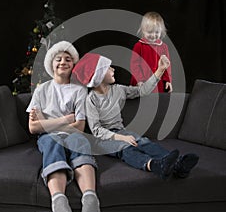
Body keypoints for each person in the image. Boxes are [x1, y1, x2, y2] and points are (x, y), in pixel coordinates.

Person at [72, 52, 199, 180]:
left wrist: (160, 70)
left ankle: (178, 165)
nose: (113, 69)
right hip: (102, 140)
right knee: (125, 148)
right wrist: (121, 137)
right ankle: (155, 166)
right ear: (99, 75)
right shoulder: (91, 100)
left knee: (142, 141)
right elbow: (96, 130)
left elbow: (142, 90)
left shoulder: (118, 90)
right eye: (109, 67)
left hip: (120, 131)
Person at [26, 41, 103, 212]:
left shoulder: (78, 91)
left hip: (73, 135)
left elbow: (80, 127)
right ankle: (60, 207)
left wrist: (48, 122)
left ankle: (90, 202)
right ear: (52, 64)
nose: (63, 62)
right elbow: (33, 128)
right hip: (49, 137)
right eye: (58, 59)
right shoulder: (42, 90)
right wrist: (66, 119)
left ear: (73, 64)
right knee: (52, 144)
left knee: (80, 143)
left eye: (68, 59)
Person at [130, 11, 173, 93]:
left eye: (157, 32)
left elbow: (167, 66)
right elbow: (134, 65)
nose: (153, 35)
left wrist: (168, 80)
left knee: (155, 102)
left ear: (161, 31)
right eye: (150, 32)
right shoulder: (139, 46)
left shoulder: (164, 47)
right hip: (142, 81)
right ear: (143, 31)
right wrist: (139, 80)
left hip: (158, 83)